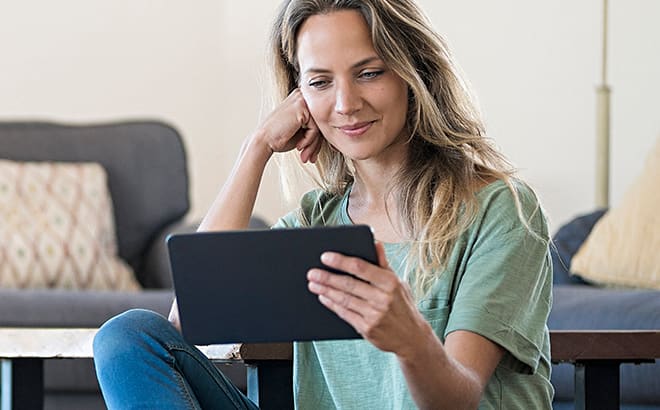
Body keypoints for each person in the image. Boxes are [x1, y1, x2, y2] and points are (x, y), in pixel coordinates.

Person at [93, 0, 554, 408]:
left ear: (414, 75)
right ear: (299, 97)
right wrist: (255, 149)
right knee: (129, 337)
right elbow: (188, 321)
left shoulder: (499, 210)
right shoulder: (316, 221)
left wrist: (411, 341)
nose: (346, 103)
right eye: (320, 82)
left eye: (369, 73)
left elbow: (461, 398)